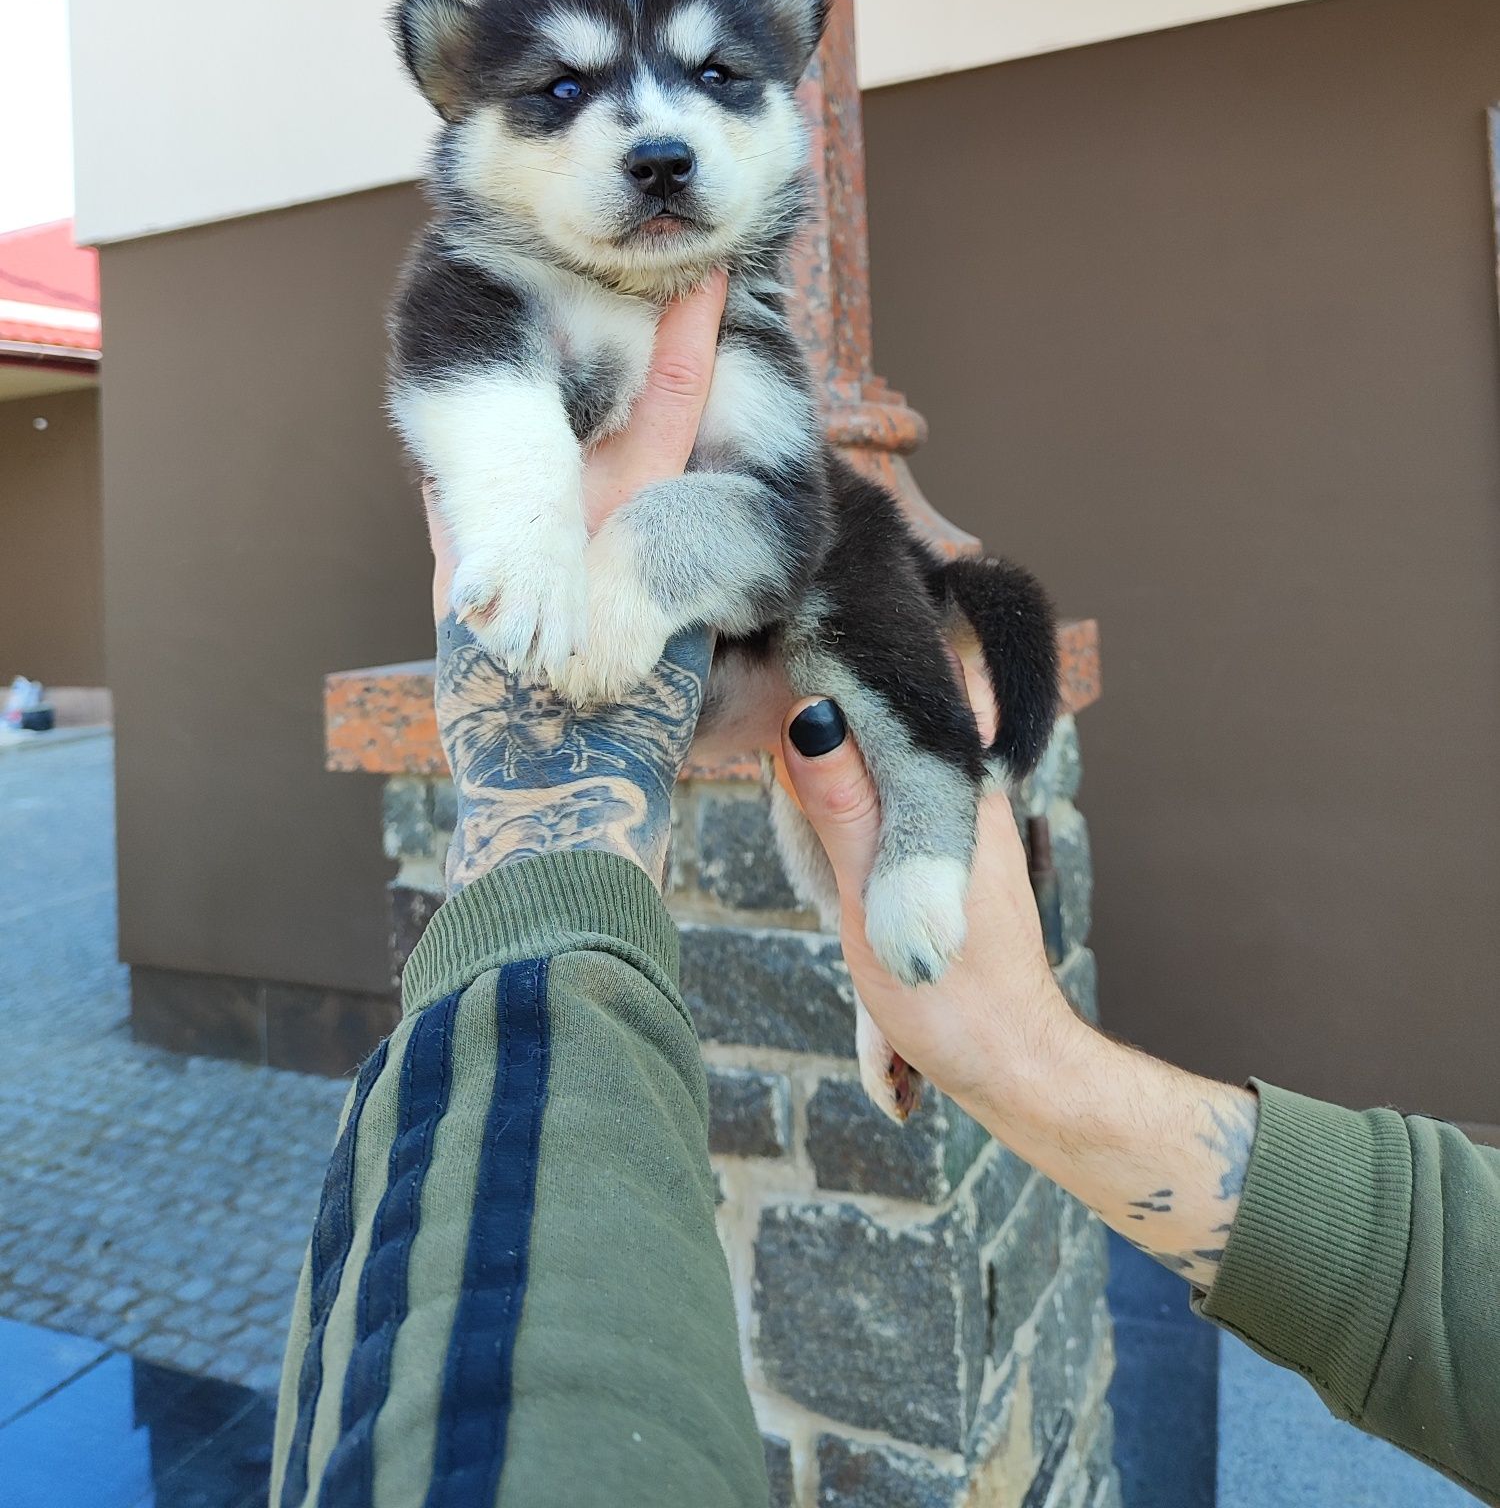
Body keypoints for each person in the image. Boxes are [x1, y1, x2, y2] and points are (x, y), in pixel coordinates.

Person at [270, 277, 1499, 1508]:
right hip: (699, 644)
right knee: (829, 780)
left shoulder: (749, 397)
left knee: (858, 751)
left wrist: (552, 810)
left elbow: (790, 542)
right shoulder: (512, 305)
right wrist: (1020, 1053)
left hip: (768, 612)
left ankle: (922, 867)